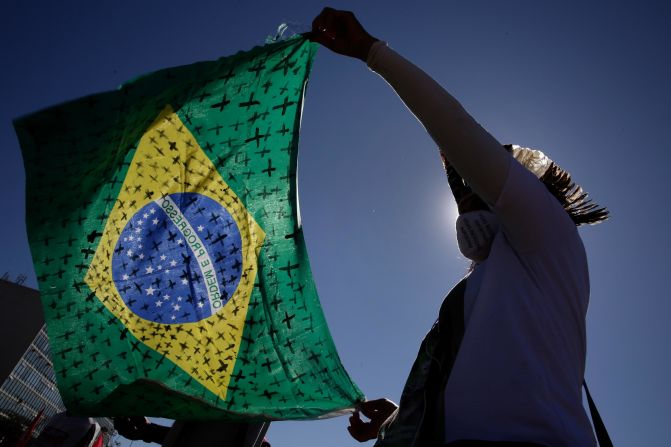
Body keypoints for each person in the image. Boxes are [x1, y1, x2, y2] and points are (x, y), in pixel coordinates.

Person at [309, 7, 608, 447]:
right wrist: (396, 422)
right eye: (457, 189)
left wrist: (369, 52)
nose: (463, 193)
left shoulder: (548, 232)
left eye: (472, 181)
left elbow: (457, 129)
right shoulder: (485, 282)